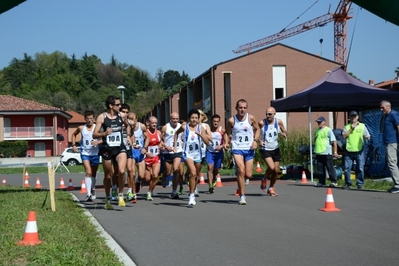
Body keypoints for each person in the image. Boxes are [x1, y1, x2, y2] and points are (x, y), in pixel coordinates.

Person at [93, 96, 131, 210]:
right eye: (118, 105)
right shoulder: (102, 117)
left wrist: (128, 136)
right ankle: (108, 197)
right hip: (107, 148)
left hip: (119, 147)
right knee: (108, 175)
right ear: (111, 106)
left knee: (121, 170)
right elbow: (94, 134)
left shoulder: (122, 115)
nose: (120, 106)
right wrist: (104, 133)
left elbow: (127, 125)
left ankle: (120, 195)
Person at [223, 99, 260, 205]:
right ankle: (242, 196)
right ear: (236, 108)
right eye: (240, 107)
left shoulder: (251, 118)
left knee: (248, 174)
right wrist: (226, 142)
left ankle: (243, 179)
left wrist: (255, 141)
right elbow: (226, 132)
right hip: (237, 148)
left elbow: (257, 129)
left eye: (244, 108)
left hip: (249, 149)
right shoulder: (232, 120)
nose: (242, 110)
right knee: (241, 170)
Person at [174, 109, 211, 206]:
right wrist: (175, 146)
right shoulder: (184, 127)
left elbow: (207, 143)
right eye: (192, 118)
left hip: (198, 154)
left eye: (196, 118)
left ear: (199, 119)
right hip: (187, 154)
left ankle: (192, 192)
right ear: (189, 118)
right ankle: (191, 195)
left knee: (196, 175)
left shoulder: (201, 128)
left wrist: (202, 135)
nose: (194, 120)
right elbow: (176, 134)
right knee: (193, 173)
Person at [71, 110, 101, 202]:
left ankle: (92, 188)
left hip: (95, 153)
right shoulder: (81, 128)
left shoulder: (97, 128)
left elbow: (104, 138)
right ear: (85, 119)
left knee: (94, 173)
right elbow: (73, 134)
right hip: (85, 153)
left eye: (91, 119)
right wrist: (74, 145)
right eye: (87, 119)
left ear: (94, 119)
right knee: (88, 172)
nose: (89, 120)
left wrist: (98, 142)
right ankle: (88, 194)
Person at [258, 107, 287, 196]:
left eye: (270, 114)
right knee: (271, 167)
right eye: (266, 114)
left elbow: (284, 130)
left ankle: (271, 188)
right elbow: (254, 132)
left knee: (276, 170)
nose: (268, 116)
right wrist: (259, 141)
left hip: (275, 148)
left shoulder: (278, 122)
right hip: (265, 149)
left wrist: (284, 134)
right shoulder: (261, 123)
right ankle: (264, 178)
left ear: (274, 114)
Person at [342, 111, 371, 189]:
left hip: (359, 150)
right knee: (347, 168)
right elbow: (344, 136)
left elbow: (367, 135)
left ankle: (360, 183)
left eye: (354, 116)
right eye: (351, 116)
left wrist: (367, 138)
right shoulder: (347, 126)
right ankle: (348, 183)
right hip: (349, 149)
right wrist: (351, 128)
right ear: (349, 117)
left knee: (360, 167)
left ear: (358, 117)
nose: (353, 118)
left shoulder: (362, 126)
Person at [160, 112, 183, 199]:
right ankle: (164, 177)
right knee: (168, 171)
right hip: (167, 152)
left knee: (176, 170)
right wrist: (165, 146)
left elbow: (183, 137)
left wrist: (183, 143)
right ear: (170, 119)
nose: (175, 120)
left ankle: (174, 191)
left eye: (177, 119)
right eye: (173, 119)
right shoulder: (165, 127)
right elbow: (160, 139)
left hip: (177, 151)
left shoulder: (181, 127)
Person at [380, 100, 399, 193]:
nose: (381, 109)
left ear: (388, 106)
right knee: (392, 162)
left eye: (383, 107)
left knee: (391, 162)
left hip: (393, 142)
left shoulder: (393, 114)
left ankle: (397, 185)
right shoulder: (386, 116)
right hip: (389, 142)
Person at [313, 116, 339, 187]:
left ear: (324, 122)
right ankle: (321, 182)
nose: (319, 123)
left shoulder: (328, 130)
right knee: (320, 168)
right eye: (318, 122)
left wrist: (335, 151)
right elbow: (315, 139)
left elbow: (334, 141)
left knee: (329, 167)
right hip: (319, 152)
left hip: (327, 152)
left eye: (320, 122)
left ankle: (334, 181)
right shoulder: (317, 130)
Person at [128, 112, 147, 202]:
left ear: (136, 119)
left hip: (140, 152)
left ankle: (138, 182)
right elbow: (130, 138)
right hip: (131, 152)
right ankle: (134, 195)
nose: (132, 121)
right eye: (130, 119)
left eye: (133, 119)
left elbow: (148, 138)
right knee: (132, 173)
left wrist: (145, 148)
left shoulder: (142, 126)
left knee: (141, 175)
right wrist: (133, 144)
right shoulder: (127, 128)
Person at [143, 116, 162, 201]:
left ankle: (149, 192)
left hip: (156, 157)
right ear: (148, 123)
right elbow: (140, 146)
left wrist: (161, 147)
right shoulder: (145, 133)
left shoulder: (158, 132)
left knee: (155, 175)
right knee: (147, 178)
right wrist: (147, 153)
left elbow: (160, 142)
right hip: (146, 158)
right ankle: (139, 180)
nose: (154, 124)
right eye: (152, 123)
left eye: (155, 123)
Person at [206, 114, 225, 194]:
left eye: (217, 121)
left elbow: (227, 142)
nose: (215, 123)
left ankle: (214, 178)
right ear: (211, 121)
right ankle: (210, 185)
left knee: (216, 169)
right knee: (210, 167)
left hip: (219, 153)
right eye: (214, 121)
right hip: (210, 152)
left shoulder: (222, 130)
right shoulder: (208, 130)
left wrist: (221, 146)